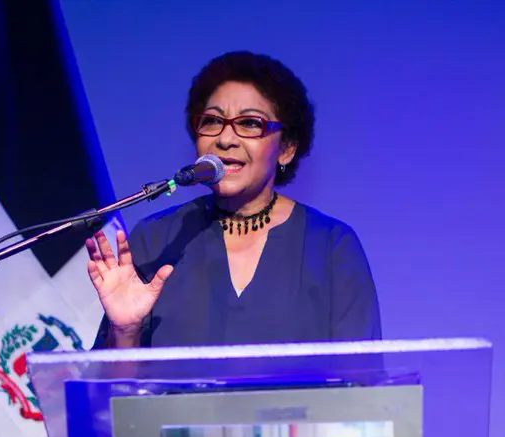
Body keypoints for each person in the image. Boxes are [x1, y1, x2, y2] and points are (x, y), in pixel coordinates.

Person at [87, 50, 382, 349]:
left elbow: (360, 374)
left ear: (286, 149)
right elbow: (115, 380)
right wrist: (125, 332)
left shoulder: (331, 247)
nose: (225, 139)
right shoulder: (155, 240)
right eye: (212, 121)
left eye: (250, 123)